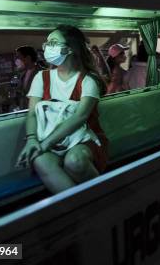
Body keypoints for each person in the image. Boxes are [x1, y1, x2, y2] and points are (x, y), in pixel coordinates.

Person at [16, 25, 108, 194]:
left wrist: (45, 144)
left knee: (75, 161)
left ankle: (100, 199)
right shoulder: (41, 78)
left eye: (54, 42)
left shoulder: (88, 81)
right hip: (50, 140)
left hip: (82, 140)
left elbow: (79, 117)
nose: (47, 47)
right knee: (40, 160)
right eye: (47, 43)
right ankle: (79, 209)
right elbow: (31, 113)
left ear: (70, 48)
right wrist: (31, 139)